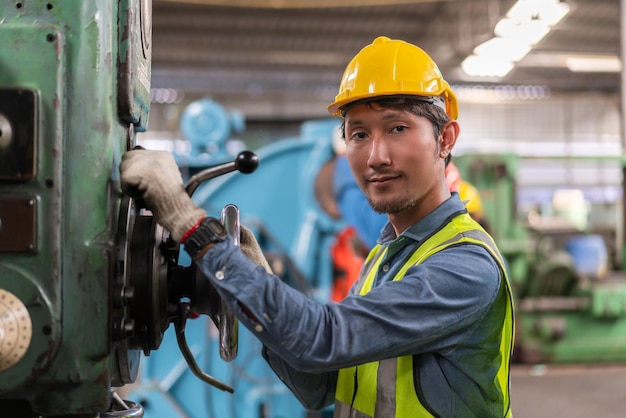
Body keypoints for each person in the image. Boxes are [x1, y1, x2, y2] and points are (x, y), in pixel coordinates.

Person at [120, 36, 514, 417]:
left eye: (397, 128)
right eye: (359, 134)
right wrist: (250, 284)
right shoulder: (385, 257)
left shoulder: (464, 267)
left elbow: (321, 339)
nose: (376, 156)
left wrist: (192, 228)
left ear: (445, 138)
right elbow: (318, 385)